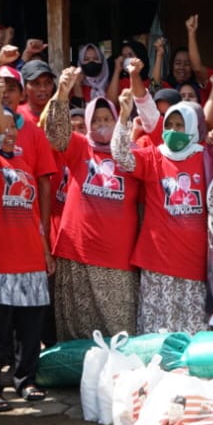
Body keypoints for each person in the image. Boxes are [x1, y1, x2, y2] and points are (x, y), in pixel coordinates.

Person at [0, 82, 55, 409]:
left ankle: (26, 380)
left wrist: (45, 250)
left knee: (30, 330)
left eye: (12, 127)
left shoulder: (26, 165)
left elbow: (36, 215)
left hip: (31, 258)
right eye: (0, 128)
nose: (8, 133)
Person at [43, 68, 141, 340]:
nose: (101, 123)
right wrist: (62, 93)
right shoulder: (78, 146)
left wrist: (125, 115)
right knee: (79, 333)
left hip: (118, 257)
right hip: (77, 253)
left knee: (119, 332)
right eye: (95, 119)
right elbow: (56, 134)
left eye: (107, 118)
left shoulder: (131, 155)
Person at [112, 94, 210, 334]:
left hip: (195, 263)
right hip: (157, 262)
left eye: (180, 126)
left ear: (192, 128)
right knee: (157, 332)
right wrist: (124, 116)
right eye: (169, 125)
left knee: (192, 332)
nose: (173, 131)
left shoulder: (207, 158)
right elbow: (120, 155)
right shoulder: (154, 156)